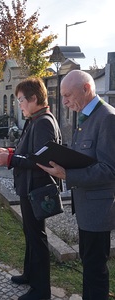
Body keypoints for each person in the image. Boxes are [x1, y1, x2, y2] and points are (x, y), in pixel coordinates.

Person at [38, 70, 115, 300]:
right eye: (62, 96)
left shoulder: (107, 118)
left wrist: (67, 174)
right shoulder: (86, 117)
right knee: (89, 263)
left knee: (95, 267)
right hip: (86, 207)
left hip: (98, 209)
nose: (64, 102)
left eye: (68, 95)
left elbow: (110, 170)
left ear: (86, 89)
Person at [0, 77, 61, 300]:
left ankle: (41, 291)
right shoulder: (35, 119)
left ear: (34, 99)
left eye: (21, 100)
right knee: (30, 233)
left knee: (37, 237)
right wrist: (10, 152)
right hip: (29, 186)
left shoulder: (43, 122)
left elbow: (40, 160)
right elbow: (27, 150)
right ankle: (30, 275)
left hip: (36, 188)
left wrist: (10, 160)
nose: (19, 104)